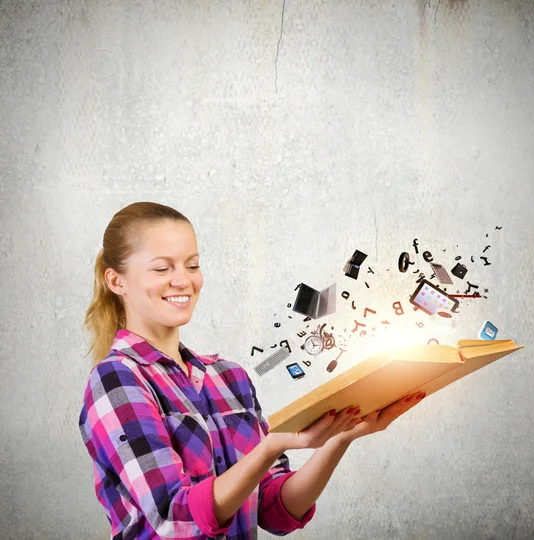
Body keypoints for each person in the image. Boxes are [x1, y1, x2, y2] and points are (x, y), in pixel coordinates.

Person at [78, 201, 427, 540]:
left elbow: (273, 509)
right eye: (162, 268)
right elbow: (173, 518)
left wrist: (342, 435)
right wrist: (269, 448)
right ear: (116, 280)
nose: (183, 280)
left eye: (192, 265)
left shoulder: (230, 378)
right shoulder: (116, 380)